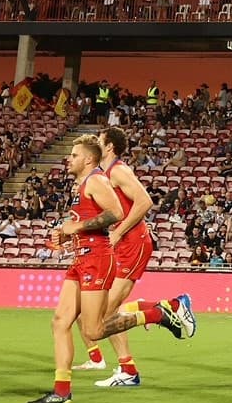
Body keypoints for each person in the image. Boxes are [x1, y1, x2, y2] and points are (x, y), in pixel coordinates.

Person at [26, 138, 193, 403]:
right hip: (81, 256)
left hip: (96, 258)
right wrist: (67, 236)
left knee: (93, 330)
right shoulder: (83, 183)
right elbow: (87, 222)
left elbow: (115, 212)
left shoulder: (97, 180)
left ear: (88, 159)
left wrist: (77, 229)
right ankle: (61, 391)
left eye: (74, 154)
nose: (69, 158)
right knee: (60, 321)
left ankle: (157, 314)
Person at [73, 125, 177, 386]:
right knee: (99, 311)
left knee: (105, 313)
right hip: (121, 245)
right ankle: (159, 309)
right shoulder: (103, 174)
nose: (95, 142)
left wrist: (119, 232)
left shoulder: (118, 170)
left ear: (108, 147)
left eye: (100, 140)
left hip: (132, 243)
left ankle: (130, 366)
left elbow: (145, 202)